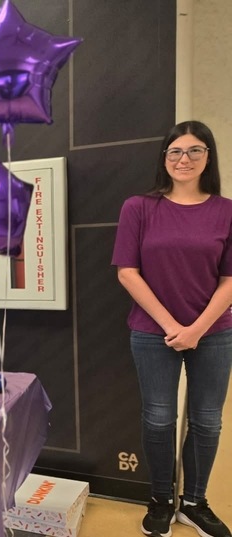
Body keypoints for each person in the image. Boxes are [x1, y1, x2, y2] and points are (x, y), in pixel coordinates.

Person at [113, 120, 232, 537]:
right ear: (164, 158)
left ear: (208, 157)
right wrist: (172, 327)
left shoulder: (227, 211)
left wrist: (198, 329)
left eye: (195, 151)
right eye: (175, 151)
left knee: (207, 421)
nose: (184, 159)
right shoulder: (139, 208)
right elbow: (127, 272)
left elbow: (230, 280)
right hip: (151, 331)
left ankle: (195, 502)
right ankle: (161, 498)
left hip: (215, 333)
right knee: (159, 418)